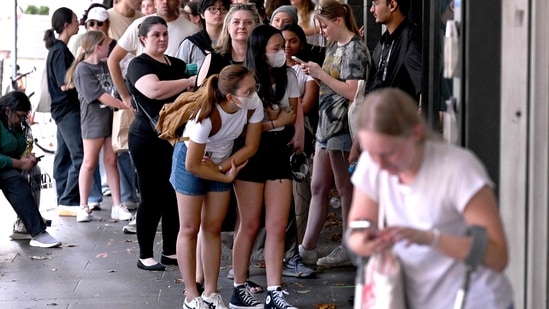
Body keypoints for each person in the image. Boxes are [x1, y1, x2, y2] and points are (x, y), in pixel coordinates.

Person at [346, 88, 514, 308]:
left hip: (473, 299)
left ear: (415, 133)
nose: (380, 166)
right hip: (414, 297)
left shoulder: (458, 168)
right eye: (370, 153)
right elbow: (356, 231)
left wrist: (429, 239)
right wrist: (367, 241)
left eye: (389, 154)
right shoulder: (373, 164)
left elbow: (497, 256)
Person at [172, 64, 262, 309]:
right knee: (190, 228)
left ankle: (211, 291)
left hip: (220, 163)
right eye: (249, 90)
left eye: (254, 87)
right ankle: (191, 295)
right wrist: (225, 178)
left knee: (212, 227)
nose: (254, 93)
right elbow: (192, 165)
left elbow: (251, 146)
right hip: (191, 160)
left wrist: (221, 169)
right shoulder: (204, 117)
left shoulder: (253, 104)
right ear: (231, 97)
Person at [230, 24, 299, 309]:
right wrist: (276, 119)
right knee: (249, 224)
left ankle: (275, 292)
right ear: (260, 51)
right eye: (275, 48)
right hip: (250, 152)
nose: (282, 52)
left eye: (282, 47)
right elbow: (243, 125)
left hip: (278, 151)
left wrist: (273, 120)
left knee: (277, 225)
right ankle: (239, 287)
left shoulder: (290, 75)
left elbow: (292, 114)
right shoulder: (244, 79)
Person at [297, 0, 370, 267]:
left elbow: (353, 91)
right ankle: (307, 248)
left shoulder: (355, 49)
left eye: (324, 25)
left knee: (344, 188)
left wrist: (321, 75)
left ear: (339, 20)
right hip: (326, 126)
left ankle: (347, 246)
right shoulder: (336, 46)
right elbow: (335, 84)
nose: (322, 30)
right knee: (318, 186)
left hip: (342, 127)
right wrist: (316, 75)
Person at [125, 16, 196, 271]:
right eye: (156, 35)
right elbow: (153, 90)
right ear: (142, 38)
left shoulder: (177, 64)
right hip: (146, 137)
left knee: (172, 195)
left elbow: (193, 96)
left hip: (174, 137)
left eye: (165, 34)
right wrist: (187, 83)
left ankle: (169, 251)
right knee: (151, 196)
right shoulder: (138, 64)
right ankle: (145, 255)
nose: (162, 39)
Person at [64, 30, 132, 223]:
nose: (109, 48)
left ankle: (117, 205)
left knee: (111, 161)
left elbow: (116, 87)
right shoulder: (82, 69)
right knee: (89, 162)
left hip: (110, 121)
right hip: (93, 121)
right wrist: (124, 105)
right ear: (97, 46)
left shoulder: (105, 66)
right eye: (106, 44)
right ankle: (83, 205)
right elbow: (100, 95)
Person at [108, 0, 199, 110]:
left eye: (165, 34)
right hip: (147, 106)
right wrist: (125, 97)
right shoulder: (139, 25)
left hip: (177, 107)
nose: (165, 2)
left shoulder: (192, 30)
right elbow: (113, 59)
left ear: (178, 2)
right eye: (155, 35)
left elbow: (195, 67)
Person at [0, 91, 62, 248]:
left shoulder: (15, 124)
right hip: (5, 164)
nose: (22, 119)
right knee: (15, 175)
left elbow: (21, 145)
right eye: (20, 116)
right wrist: (18, 163)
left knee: (19, 180)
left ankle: (34, 230)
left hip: (5, 167)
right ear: (8, 110)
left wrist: (27, 156)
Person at [43, 7, 83, 217]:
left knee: (65, 155)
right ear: (67, 24)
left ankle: (63, 200)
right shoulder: (59, 51)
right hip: (66, 109)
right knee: (79, 155)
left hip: (63, 109)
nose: (79, 23)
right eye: (76, 20)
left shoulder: (59, 49)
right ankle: (67, 199)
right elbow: (64, 84)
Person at [176, 0, 230, 70]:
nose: (218, 13)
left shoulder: (233, 42)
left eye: (223, 9)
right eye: (212, 9)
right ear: (202, 14)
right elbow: (177, 72)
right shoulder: (190, 43)